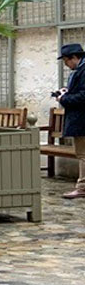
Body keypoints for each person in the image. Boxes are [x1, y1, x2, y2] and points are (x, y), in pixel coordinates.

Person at [56, 42, 85, 199]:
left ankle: (82, 187)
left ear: (73, 58)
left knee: (83, 154)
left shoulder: (83, 70)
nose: (66, 65)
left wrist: (64, 98)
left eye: (66, 61)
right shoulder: (81, 69)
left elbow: (83, 96)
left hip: (82, 120)